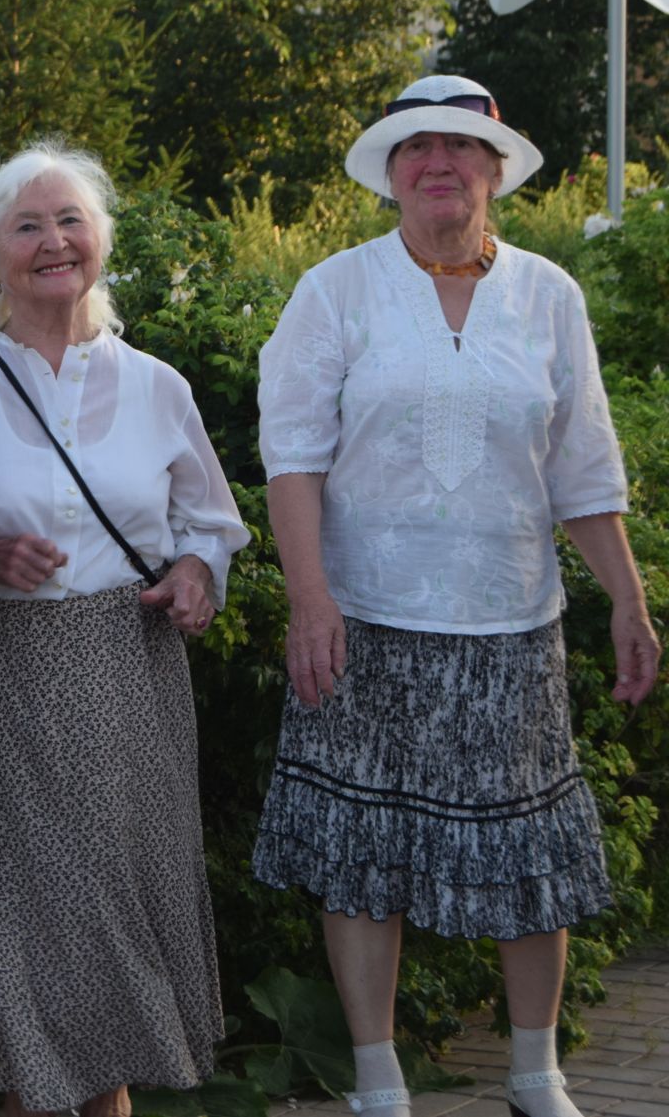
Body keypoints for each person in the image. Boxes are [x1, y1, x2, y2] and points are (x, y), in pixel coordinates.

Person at [253, 75, 660, 1117]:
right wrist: (311, 600)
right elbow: (292, 457)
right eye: (414, 147)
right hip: (365, 618)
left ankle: (537, 1074)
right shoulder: (334, 291)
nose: (439, 162)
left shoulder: (551, 296)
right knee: (363, 859)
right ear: (390, 173)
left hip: (511, 620)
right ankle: (378, 1081)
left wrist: (627, 598)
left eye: (461, 148)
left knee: (536, 855)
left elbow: (585, 471)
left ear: (496, 168)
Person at [0, 139, 249, 1117]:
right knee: (27, 947)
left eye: (70, 219)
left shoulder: (159, 385)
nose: (53, 241)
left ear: (101, 243)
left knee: (108, 934)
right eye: (27, 225)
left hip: (128, 683)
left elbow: (209, 527)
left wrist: (193, 577)